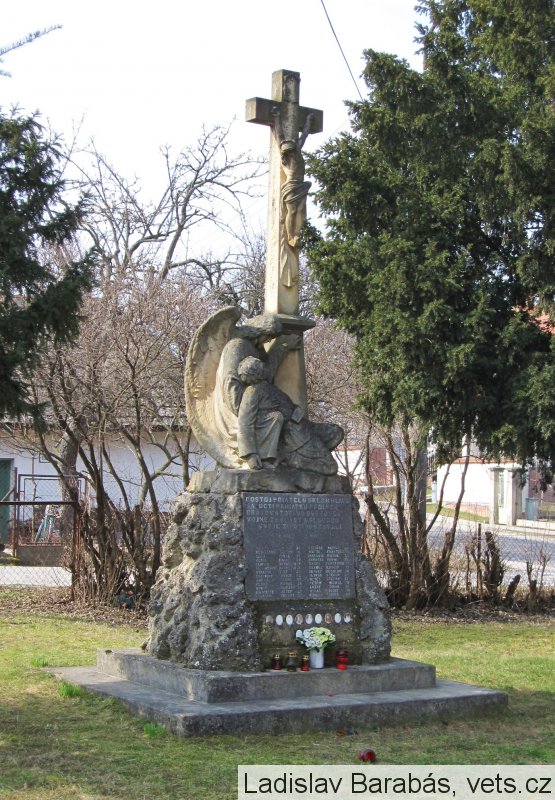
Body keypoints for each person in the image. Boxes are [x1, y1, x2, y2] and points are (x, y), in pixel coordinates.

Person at [236, 356, 343, 475]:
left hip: (303, 426)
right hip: (293, 436)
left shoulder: (269, 387)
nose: (263, 369)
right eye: (259, 368)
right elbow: (244, 422)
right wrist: (250, 454)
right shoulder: (252, 392)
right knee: (330, 467)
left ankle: (290, 456)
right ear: (253, 374)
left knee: (336, 432)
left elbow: (288, 406)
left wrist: (296, 411)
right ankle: (290, 458)